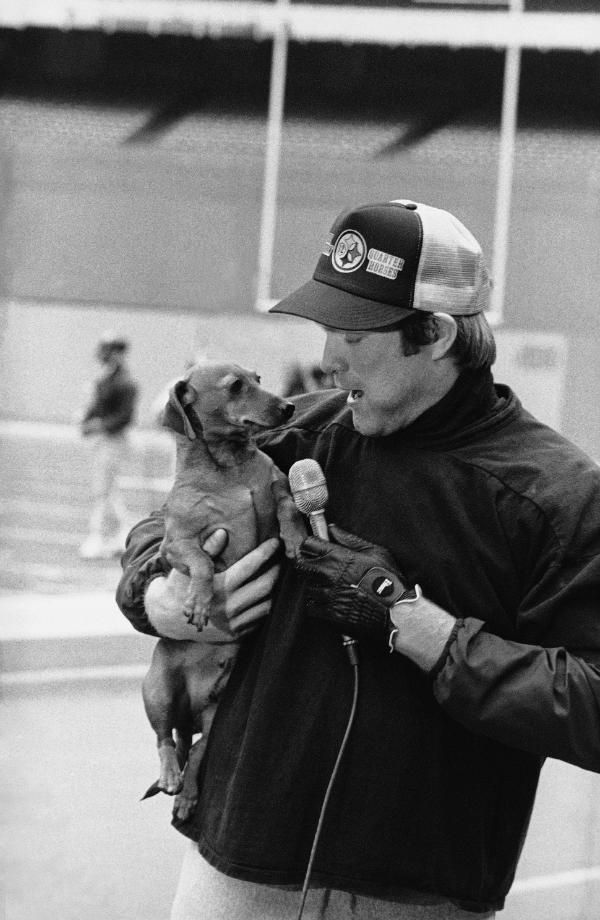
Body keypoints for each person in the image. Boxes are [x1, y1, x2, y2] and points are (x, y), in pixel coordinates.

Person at [116, 199, 600, 919]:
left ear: (433, 335)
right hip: (234, 871)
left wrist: (417, 625)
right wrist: (160, 593)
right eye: (324, 331)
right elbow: (166, 523)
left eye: (352, 335)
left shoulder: (554, 495)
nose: (326, 358)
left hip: (418, 897)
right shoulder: (302, 431)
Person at [79, 332, 139, 559]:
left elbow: (124, 418)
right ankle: (124, 534)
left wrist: (98, 426)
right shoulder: (106, 378)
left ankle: (98, 537)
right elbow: (96, 407)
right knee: (110, 490)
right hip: (104, 440)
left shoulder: (125, 382)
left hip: (115, 440)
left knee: (104, 490)